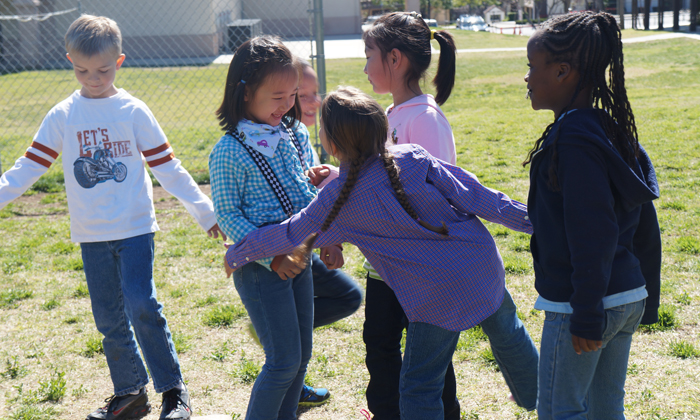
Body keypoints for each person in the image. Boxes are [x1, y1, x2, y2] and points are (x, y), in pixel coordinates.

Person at [224, 87, 535, 420]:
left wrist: (238, 253)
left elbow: (290, 233)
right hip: (481, 267)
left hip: (435, 300)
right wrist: (536, 221)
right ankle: (547, 401)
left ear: (331, 144)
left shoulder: (338, 201)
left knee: (420, 386)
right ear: (381, 129)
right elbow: (477, 196)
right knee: (510, 334)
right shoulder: (413, 156)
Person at [0, 15, 224, 420]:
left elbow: (168, 168)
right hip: (91, 234)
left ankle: (174, 391)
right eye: (82, 70)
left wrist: (204, 212)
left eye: (102, 70)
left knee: (142, 303)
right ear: (70, 60)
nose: (92, 78)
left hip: (135, 227)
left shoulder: (133, 110)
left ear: (119, 61)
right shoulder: (63, 115)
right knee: (108, 317)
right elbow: (27, 167)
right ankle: (130, 394)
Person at [362, 11, 538, 418]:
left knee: (429, 361)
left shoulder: (424, 120)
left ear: (394, 59)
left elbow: (435, 196)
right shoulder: (392, 115)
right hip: (391, 264)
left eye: (368, 55)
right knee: (382, 346)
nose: (365, 66)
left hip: (425, 268)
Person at [208, 36, 360, 419]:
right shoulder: (229, 150)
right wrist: (271, 256)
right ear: (244, 93)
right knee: (282, 362)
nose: (288, 105)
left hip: (301, 259)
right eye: (277, 96)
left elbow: (311, 198)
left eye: (292, 94)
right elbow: (228, 216)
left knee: (300, 356)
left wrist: (328, 237)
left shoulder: (296, 134)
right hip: (264, 270)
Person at [522, 12, 661, 419]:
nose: (526, 78)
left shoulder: (575, 143)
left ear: (563, 71)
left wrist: (585, 311)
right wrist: (643, 293)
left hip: (584, 304)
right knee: (605, 411)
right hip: (624, 296)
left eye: (532, 67)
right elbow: (643, 226)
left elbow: (593, 230)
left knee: (559, 411)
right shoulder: (607, 129)